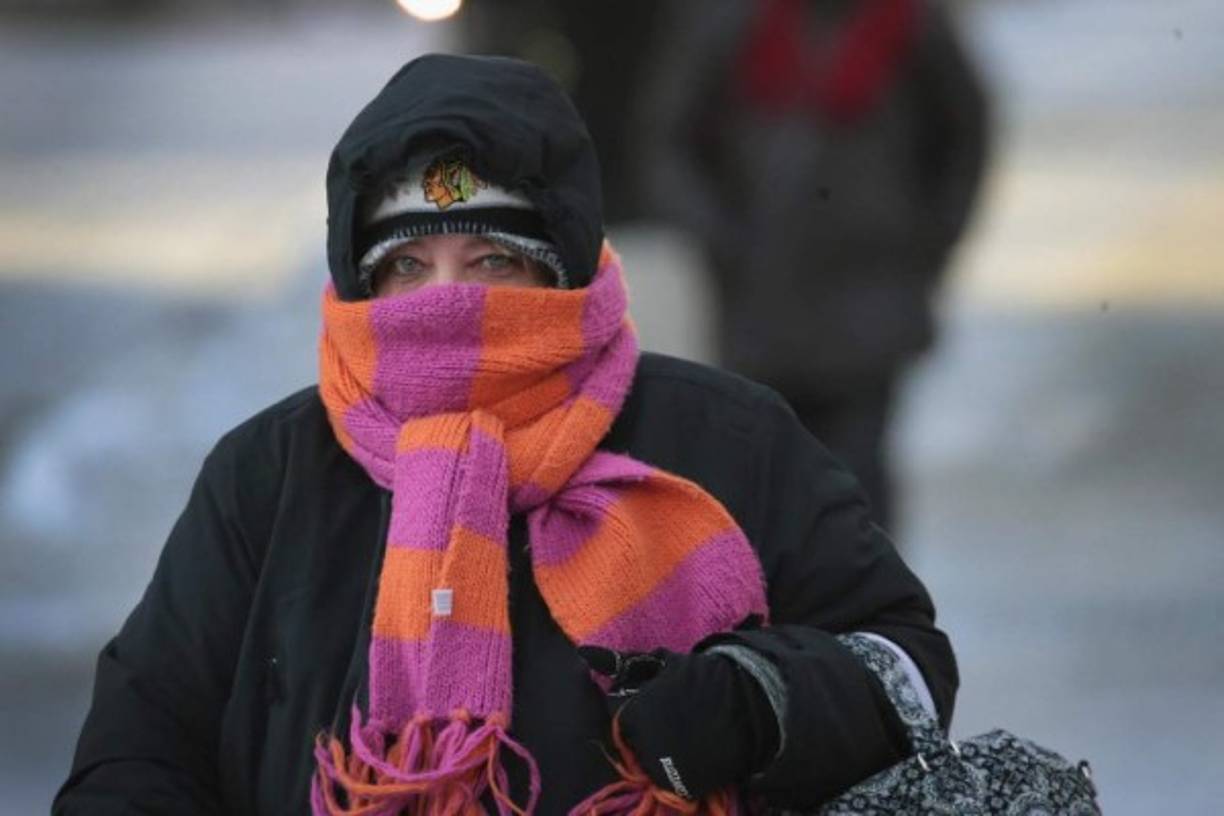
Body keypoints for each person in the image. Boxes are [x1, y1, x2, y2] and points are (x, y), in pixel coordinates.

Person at [55, 54, 956, 815]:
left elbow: (909, 668)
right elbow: (141, 746)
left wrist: (764, 702)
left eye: (493, 261)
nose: (448, 301)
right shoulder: (270, 473)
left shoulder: (726, 439)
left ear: (559, 269)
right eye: (407, 265)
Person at [639, 0, 991, 531]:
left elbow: (964, 129)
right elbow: (669, 140)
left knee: (857, 483)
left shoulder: (908, 21)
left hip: (870, 298)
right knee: (766, 483)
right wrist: (720, 236)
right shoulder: (733, 19)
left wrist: (929, 240)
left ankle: (868, 608)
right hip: (761, 302)